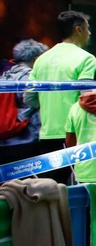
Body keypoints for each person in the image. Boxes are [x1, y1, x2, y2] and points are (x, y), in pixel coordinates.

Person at [32, 10, 96, 179]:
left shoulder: (41, 60)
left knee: (49, 190)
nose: (89, 33)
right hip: (75, 135)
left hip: (46, 134)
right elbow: (87, 97)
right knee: (74, 191)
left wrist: (48, 103)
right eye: (87, 28)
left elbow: (28, 97)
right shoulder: (86, 59)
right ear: (79, 30)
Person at [0, 39, 46, 167]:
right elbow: (31, 102)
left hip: (5, 141)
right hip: (27, 140)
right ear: (37, 59)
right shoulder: (31, 77)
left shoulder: (5, 76)